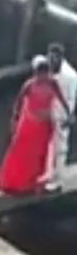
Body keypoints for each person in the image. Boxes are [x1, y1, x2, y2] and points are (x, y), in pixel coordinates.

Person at [0, 55, 69, 195]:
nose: (42, 76)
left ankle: (33, 182)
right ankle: (13, 183)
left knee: (40, 155)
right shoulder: (29, 85)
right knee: (22, 154)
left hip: (44, 125)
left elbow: (62, 99)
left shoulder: (53, 83)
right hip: (29, 125)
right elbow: (18, 104)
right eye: (40, 73)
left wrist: (69, 114)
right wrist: (14, 120)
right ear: (35, 73)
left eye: (45, 72)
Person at [45, 42, 77, 189]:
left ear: (60, 57)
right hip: (50, 113)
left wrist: (69, 116)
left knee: (60, 148)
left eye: (53, 58)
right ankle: (50, 174)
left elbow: (72, 98)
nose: (50, 60)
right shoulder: (50, 70)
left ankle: (58, 180)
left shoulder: (70, 76)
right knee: (50, 146)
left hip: (62, 115)